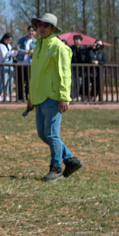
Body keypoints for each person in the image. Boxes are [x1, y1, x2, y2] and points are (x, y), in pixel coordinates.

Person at [28, 13, 82, 182]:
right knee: (44, 134)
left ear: (52, 28)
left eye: (46, 25)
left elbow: (65, 74)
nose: (42, 28)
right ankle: (71, 160)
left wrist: (64, 97)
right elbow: (35, 75)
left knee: (51, 134)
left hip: (53, 97)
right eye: (40, 25)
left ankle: (56, 169)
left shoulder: (59, 47)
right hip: (39, 98)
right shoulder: (38, 47)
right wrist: (31, 96)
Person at [15, 26, 37, 101]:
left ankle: (28, 97)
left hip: (30, 64)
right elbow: (17, 49)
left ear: (35, 32)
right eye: (29, 31)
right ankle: (20, 97)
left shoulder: (36, 42)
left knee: (29, 81)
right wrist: (25, 52)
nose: (31, 32)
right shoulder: (22, 40)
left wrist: (33, 51)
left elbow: (38, 52)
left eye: (32, 31)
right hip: (21, 63)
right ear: (27, 31)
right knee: (20, 81)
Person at [0, 33, 18, 102]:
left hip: (10, 64)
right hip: (4, 65)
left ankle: (7, 95)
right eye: (8, 40)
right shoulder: (1, 46)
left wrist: (15, 50)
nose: (9, 41)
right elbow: (4, 56)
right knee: (3, 80)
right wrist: (11, 50)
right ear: (4, 39)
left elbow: (13, 55)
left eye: (10, 40)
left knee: (10, 81)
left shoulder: (9, 45)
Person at [69, 35, 89, 102]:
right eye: (75, 39)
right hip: (72, 68)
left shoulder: (83, 50)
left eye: (78, 39)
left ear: (80, 41)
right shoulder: (70, 49)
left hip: (81, 70)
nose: (76, 41)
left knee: (80, 83)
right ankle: (74, 96)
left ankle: (79, 95)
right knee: (73, 83)